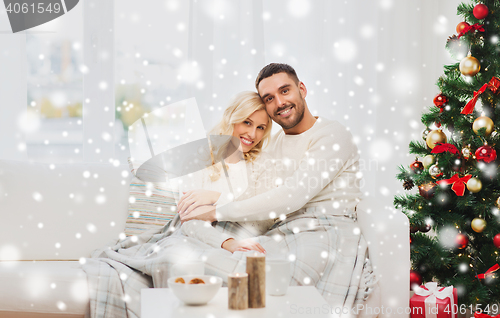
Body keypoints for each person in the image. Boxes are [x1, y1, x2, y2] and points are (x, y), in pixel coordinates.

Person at [178, 63, 379, 310]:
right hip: (283, 229)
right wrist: (216, 196)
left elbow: (292, 195)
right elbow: (257, 191)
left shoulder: (332, 134)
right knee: (233, 266)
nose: (280, 102)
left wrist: (216, 209)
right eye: (269, 98)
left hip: (326, 228)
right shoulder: (274, 143)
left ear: (302, 89)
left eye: (285, 91)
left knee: (270, 284)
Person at [176, 91, 277, 254]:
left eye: (260, 128)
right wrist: (227, 243)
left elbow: (264, 219)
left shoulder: (264, 163)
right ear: (232, 119)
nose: (252, 134)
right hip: (202, 240)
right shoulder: (198, 158)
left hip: (246, 240)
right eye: (247, 122)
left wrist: (215, 197)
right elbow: (189, 219)